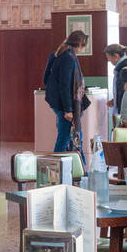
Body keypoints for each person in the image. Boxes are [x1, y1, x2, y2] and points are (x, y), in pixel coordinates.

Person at [43, 30, 89, 163]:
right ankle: (56, 169)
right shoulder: (69, 57)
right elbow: (65, 85)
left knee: (68, 136)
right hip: (66, 105)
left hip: (58, 102)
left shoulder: (56, 54)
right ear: (80, 44)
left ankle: (79, 168)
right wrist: (68, 109)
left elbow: (45, 78)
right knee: (64, 138)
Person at [104, 44, 127, 114]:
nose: (110, 62)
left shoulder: (126, 71)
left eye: (110, 59)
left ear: (116, 56)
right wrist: (115, 100)